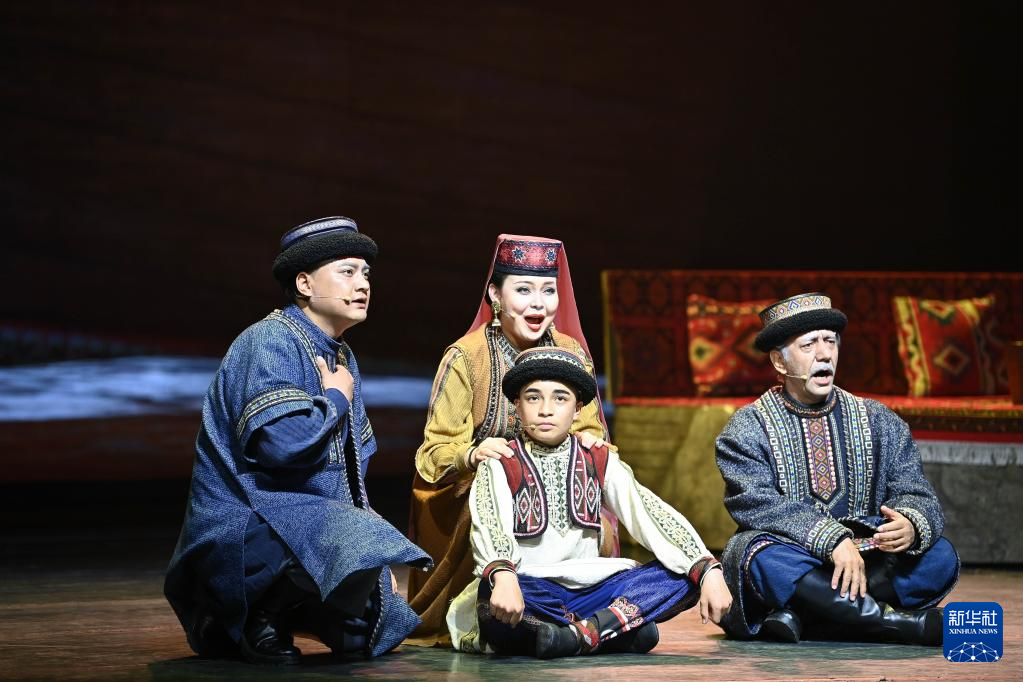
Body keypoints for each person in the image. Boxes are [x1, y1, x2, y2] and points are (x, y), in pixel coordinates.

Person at [164, 216, 431, 665]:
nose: (363, 283)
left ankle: (290, 609)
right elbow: (281, 447)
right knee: (360, 542)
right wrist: (335, 399)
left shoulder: (339, 354)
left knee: (369, 632)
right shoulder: (270, 341)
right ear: (305, 283)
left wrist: (367, 542)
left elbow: (348, 467)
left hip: (298, 520)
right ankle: (259, 616)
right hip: (243, 525)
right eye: (347, 272)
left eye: (366, 273)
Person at [446, 347, 733, 657]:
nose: (546, 410)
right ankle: (612, 629)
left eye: (560, 398)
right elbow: (491, 525)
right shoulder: (501, 461)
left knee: (681, 575)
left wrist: (707, 569)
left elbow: (648, 513)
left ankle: (574, 636)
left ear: (578, 409)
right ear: (517, 405)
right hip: (531, 589)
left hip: (593, 590)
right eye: (533, 398)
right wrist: (503, 576)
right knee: (491, 594)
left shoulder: (597, 458)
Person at [714, 293, 960, 646]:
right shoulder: (746, 429)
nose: (824, 354)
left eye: (830, 341)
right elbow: (756, 504)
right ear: (779, 361)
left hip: (869, 555)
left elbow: (915, 491)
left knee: (940, 556)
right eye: (809, 344)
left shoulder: (879, 420)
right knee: (755, 555)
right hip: (795, 558)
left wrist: (909, 523)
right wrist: (831, 539)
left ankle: (805, 615)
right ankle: (890, 622)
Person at [407, 235, 615, 645]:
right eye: (523, 290)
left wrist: (588, 448)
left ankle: (567, 610)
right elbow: (434, 453)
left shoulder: (570, 352)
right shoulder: (467, 357)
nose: (538, 304)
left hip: (556, 484)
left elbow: (590, 431)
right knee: (493, 496)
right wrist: (473, 454)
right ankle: (493, 607)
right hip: (477, 491)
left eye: (548, 291)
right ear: (495, 295)